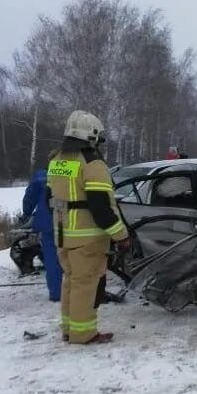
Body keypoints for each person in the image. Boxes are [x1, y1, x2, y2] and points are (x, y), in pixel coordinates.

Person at [48, 111, 130, 344]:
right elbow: (101, 207)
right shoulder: (92, 163)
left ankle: (69, 329)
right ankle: (83, 333)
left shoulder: (56, 161)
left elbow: (49, 198)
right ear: (91, 135)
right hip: (88, 238)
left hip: (63, 235)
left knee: (71, 282)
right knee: (86, 285)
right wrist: (121, 235)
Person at [22, 151, 63, 301]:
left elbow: (29, 198)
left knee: (51, 258)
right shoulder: (72, 172)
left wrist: (26, 213)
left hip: (47, 222)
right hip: (68, 221)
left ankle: (56, 293)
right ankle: (74, 291)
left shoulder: (40, 176)